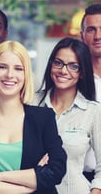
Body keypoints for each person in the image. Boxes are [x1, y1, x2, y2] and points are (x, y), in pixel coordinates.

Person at [0, 40, 67, 194]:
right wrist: (28, 183)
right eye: (2, 67)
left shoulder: (44, 118)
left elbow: (56, 170)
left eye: (18, 68)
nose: (10, 75)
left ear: (25, 75)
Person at [37, 37, 101, 194]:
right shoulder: (30, 103)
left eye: (73, 66)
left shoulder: (92, 111)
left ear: (82, 73)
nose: (63, 71)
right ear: (51, 64)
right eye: (58, 63)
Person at [80, 3, 101, 182]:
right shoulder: (72, 79)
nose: (98, 36)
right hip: (82, 178)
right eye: (91, 30)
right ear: (82, 36)